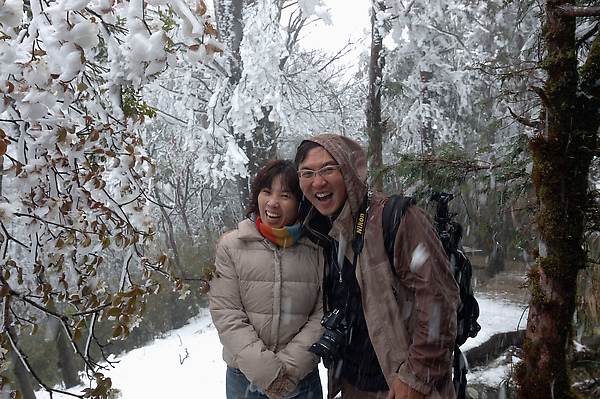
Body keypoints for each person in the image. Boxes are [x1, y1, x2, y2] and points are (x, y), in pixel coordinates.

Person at [294, 134, 460, 399]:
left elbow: (439, 299)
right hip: (353, 384)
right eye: (307, 173)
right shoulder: (320, 231)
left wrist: (416, 377)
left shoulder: (397, 218)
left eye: (328, 169)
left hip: (403, 385)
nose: (318, 181)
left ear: (348, 170)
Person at [209, 159, 324, 399]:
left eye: (285, 195)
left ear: (300, 203)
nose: (272, 202)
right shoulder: (232, 245)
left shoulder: (316, 249)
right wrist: (265, 371)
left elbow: (323, 313)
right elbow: (226, 312)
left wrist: (289, 369)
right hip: (244, 375)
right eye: (266, 191)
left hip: (300, 376)